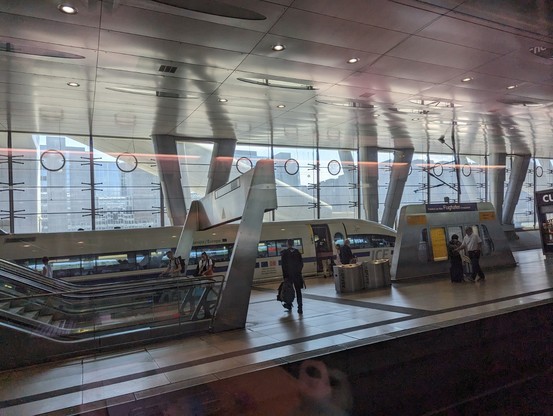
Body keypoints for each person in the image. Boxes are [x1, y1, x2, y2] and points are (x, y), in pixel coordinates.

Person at [280, 239, 305, 314]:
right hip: (297, 275)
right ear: (293, 244)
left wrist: (285, 276)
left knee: (288, 290)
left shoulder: (285, 253)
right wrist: (299, 271)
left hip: (288, 276)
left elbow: (283, 266)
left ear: (287, 244)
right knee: (298, 291)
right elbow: (301, 263)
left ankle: (289, 305)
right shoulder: (297, 252)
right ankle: (300, 307)